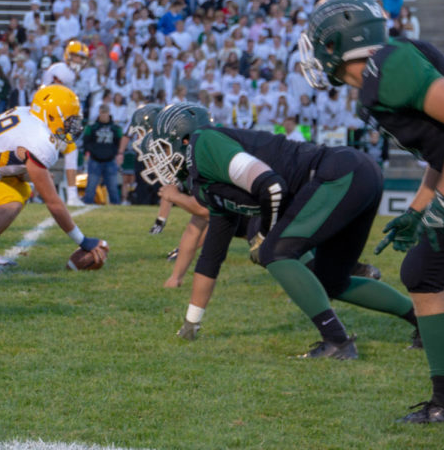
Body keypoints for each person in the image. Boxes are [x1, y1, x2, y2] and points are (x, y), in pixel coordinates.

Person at [299, 0, 444, 423]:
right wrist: (421, 205)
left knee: (422, 274)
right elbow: (441, 145)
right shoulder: (385, 69)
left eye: (322, 41)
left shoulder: (388, 68)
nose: (317, 52)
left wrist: (443, 200)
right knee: (421, 274)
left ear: (340, 41)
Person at [140, 103, 420, 358]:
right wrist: (191, 323)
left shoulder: (204, 144)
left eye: (163, 149)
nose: (161, 159)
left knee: (274, 252)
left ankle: (337, 342)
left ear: (184, 138)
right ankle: (423, 320)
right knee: (331, 280)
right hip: (354, 173)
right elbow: (211, 259)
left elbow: (271, 185)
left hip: (336, 175)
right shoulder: (207, 184)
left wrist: (264, 235)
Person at [0, 85, 107, 273]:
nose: (72, 125)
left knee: (22, 190)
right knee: (10, 201)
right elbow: (53, 203)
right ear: (51, 115)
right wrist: (82, 240)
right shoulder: (40, 139)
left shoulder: (26, 113)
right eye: (69, 119)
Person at [82, 104, 123, 205]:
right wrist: (89, 153)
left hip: (110, 160)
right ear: (99, 113)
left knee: (113, 187)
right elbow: (86, 142)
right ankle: (88, 204)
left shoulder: (115, 128)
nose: (104, 115)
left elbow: (119, 142)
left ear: (109, 113)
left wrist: (118, 154)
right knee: (91, 186)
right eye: (102, 113)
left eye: (105, 113)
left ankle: (116, 206)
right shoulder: (92, 127)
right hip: (95, 160)